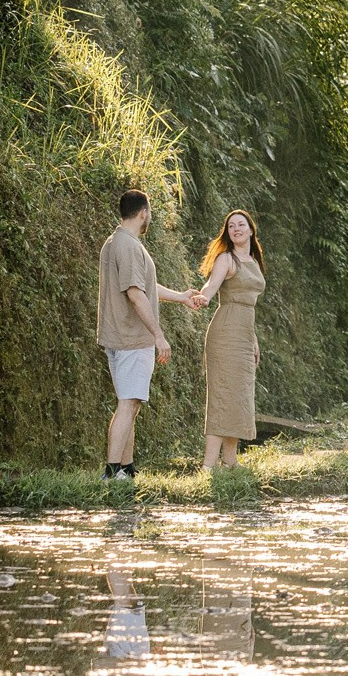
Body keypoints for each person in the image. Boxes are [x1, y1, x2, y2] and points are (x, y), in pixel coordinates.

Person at [97, 188, 205, 480]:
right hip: (131, 337)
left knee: (130, 403)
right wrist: (158, 335)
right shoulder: (129, 246)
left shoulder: (115, 242)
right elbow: (134, 293)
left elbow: (144, 286)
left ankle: (125, 469)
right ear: (144, 212)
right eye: (150, 212)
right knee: (128, 403)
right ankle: (110, 473)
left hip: (122, 336)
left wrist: (181, 297)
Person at [196, 209, 266, 468]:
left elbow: (248, 304)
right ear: (228, 233)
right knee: (222, 394)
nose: (236, 229)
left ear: (250, 230)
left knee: (239, 395)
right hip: (225, 333)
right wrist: (202, 297)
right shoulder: (226, 258)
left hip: (245, 333)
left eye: (241, 225)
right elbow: (211, 287)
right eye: (231, 226)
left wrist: (254, 339)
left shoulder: (254, 261)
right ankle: (208, 465)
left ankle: (230, 460)